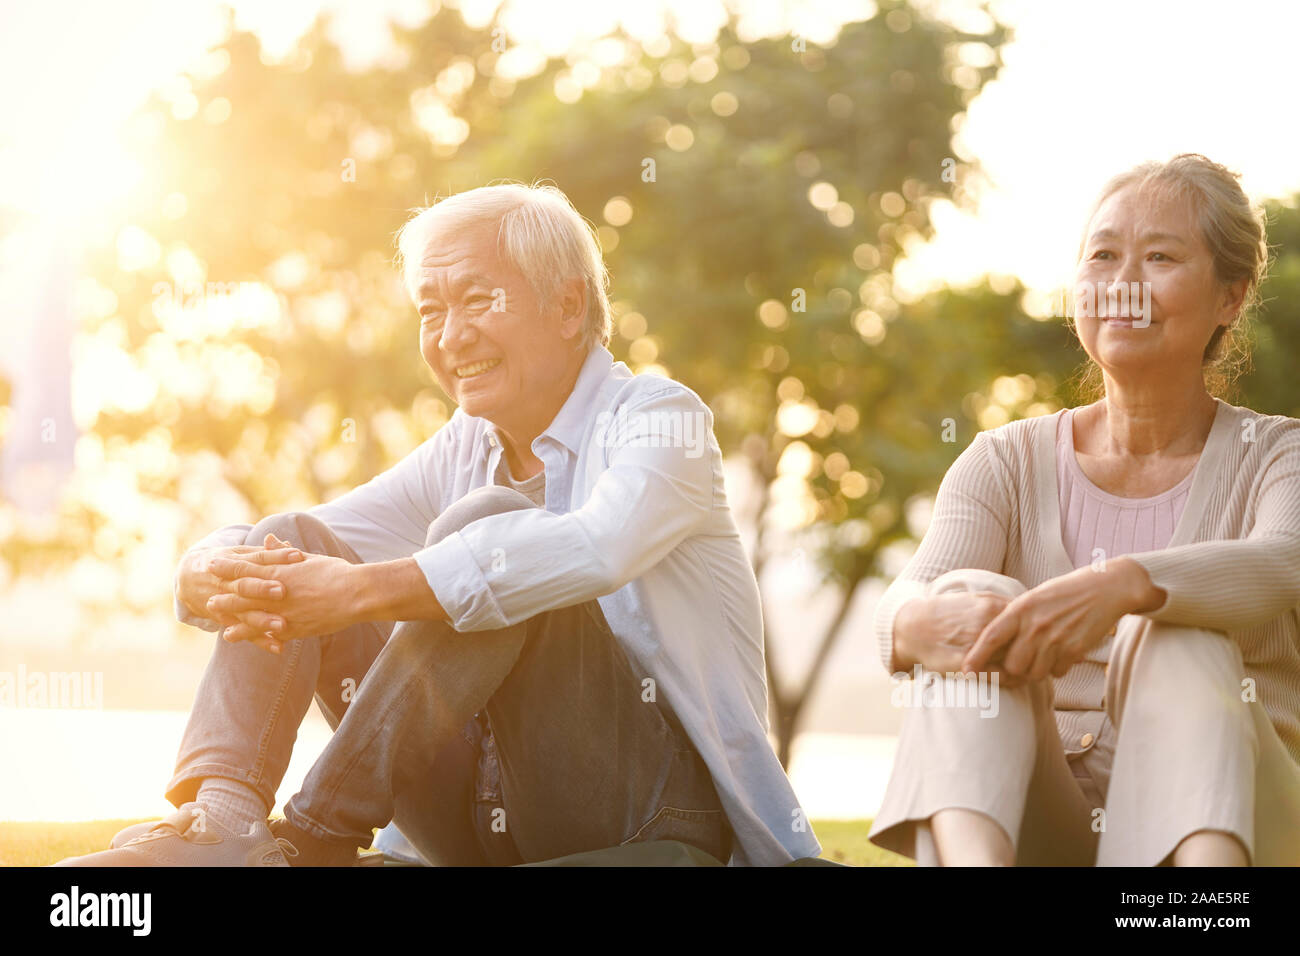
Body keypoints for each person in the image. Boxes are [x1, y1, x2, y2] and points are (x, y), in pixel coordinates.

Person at [56, 182, 820, 867]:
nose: (450, 337)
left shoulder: (660, 420)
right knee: (292, 535)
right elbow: (304, 539)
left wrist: (364, 592)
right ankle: (221, 822)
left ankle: (316, 838)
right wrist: (205, 567)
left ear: (568, 305)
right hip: (480, 819)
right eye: (431, 310)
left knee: (490, 530)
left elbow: (596, 547)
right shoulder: (465, 445)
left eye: (478, 299)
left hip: (648, 811)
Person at [867, 153, 1300, 866]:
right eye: (1102, 255)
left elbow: (1283, 560)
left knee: (1179, 632)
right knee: (972, 598)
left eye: (1160, 256)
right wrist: (925, 621)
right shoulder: (1002, 460)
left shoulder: (1278, 455)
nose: (1123, 285)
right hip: (1056, 828)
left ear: (1230, 298)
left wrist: (1123, 585)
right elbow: (907, 599)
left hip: (1250, 831)